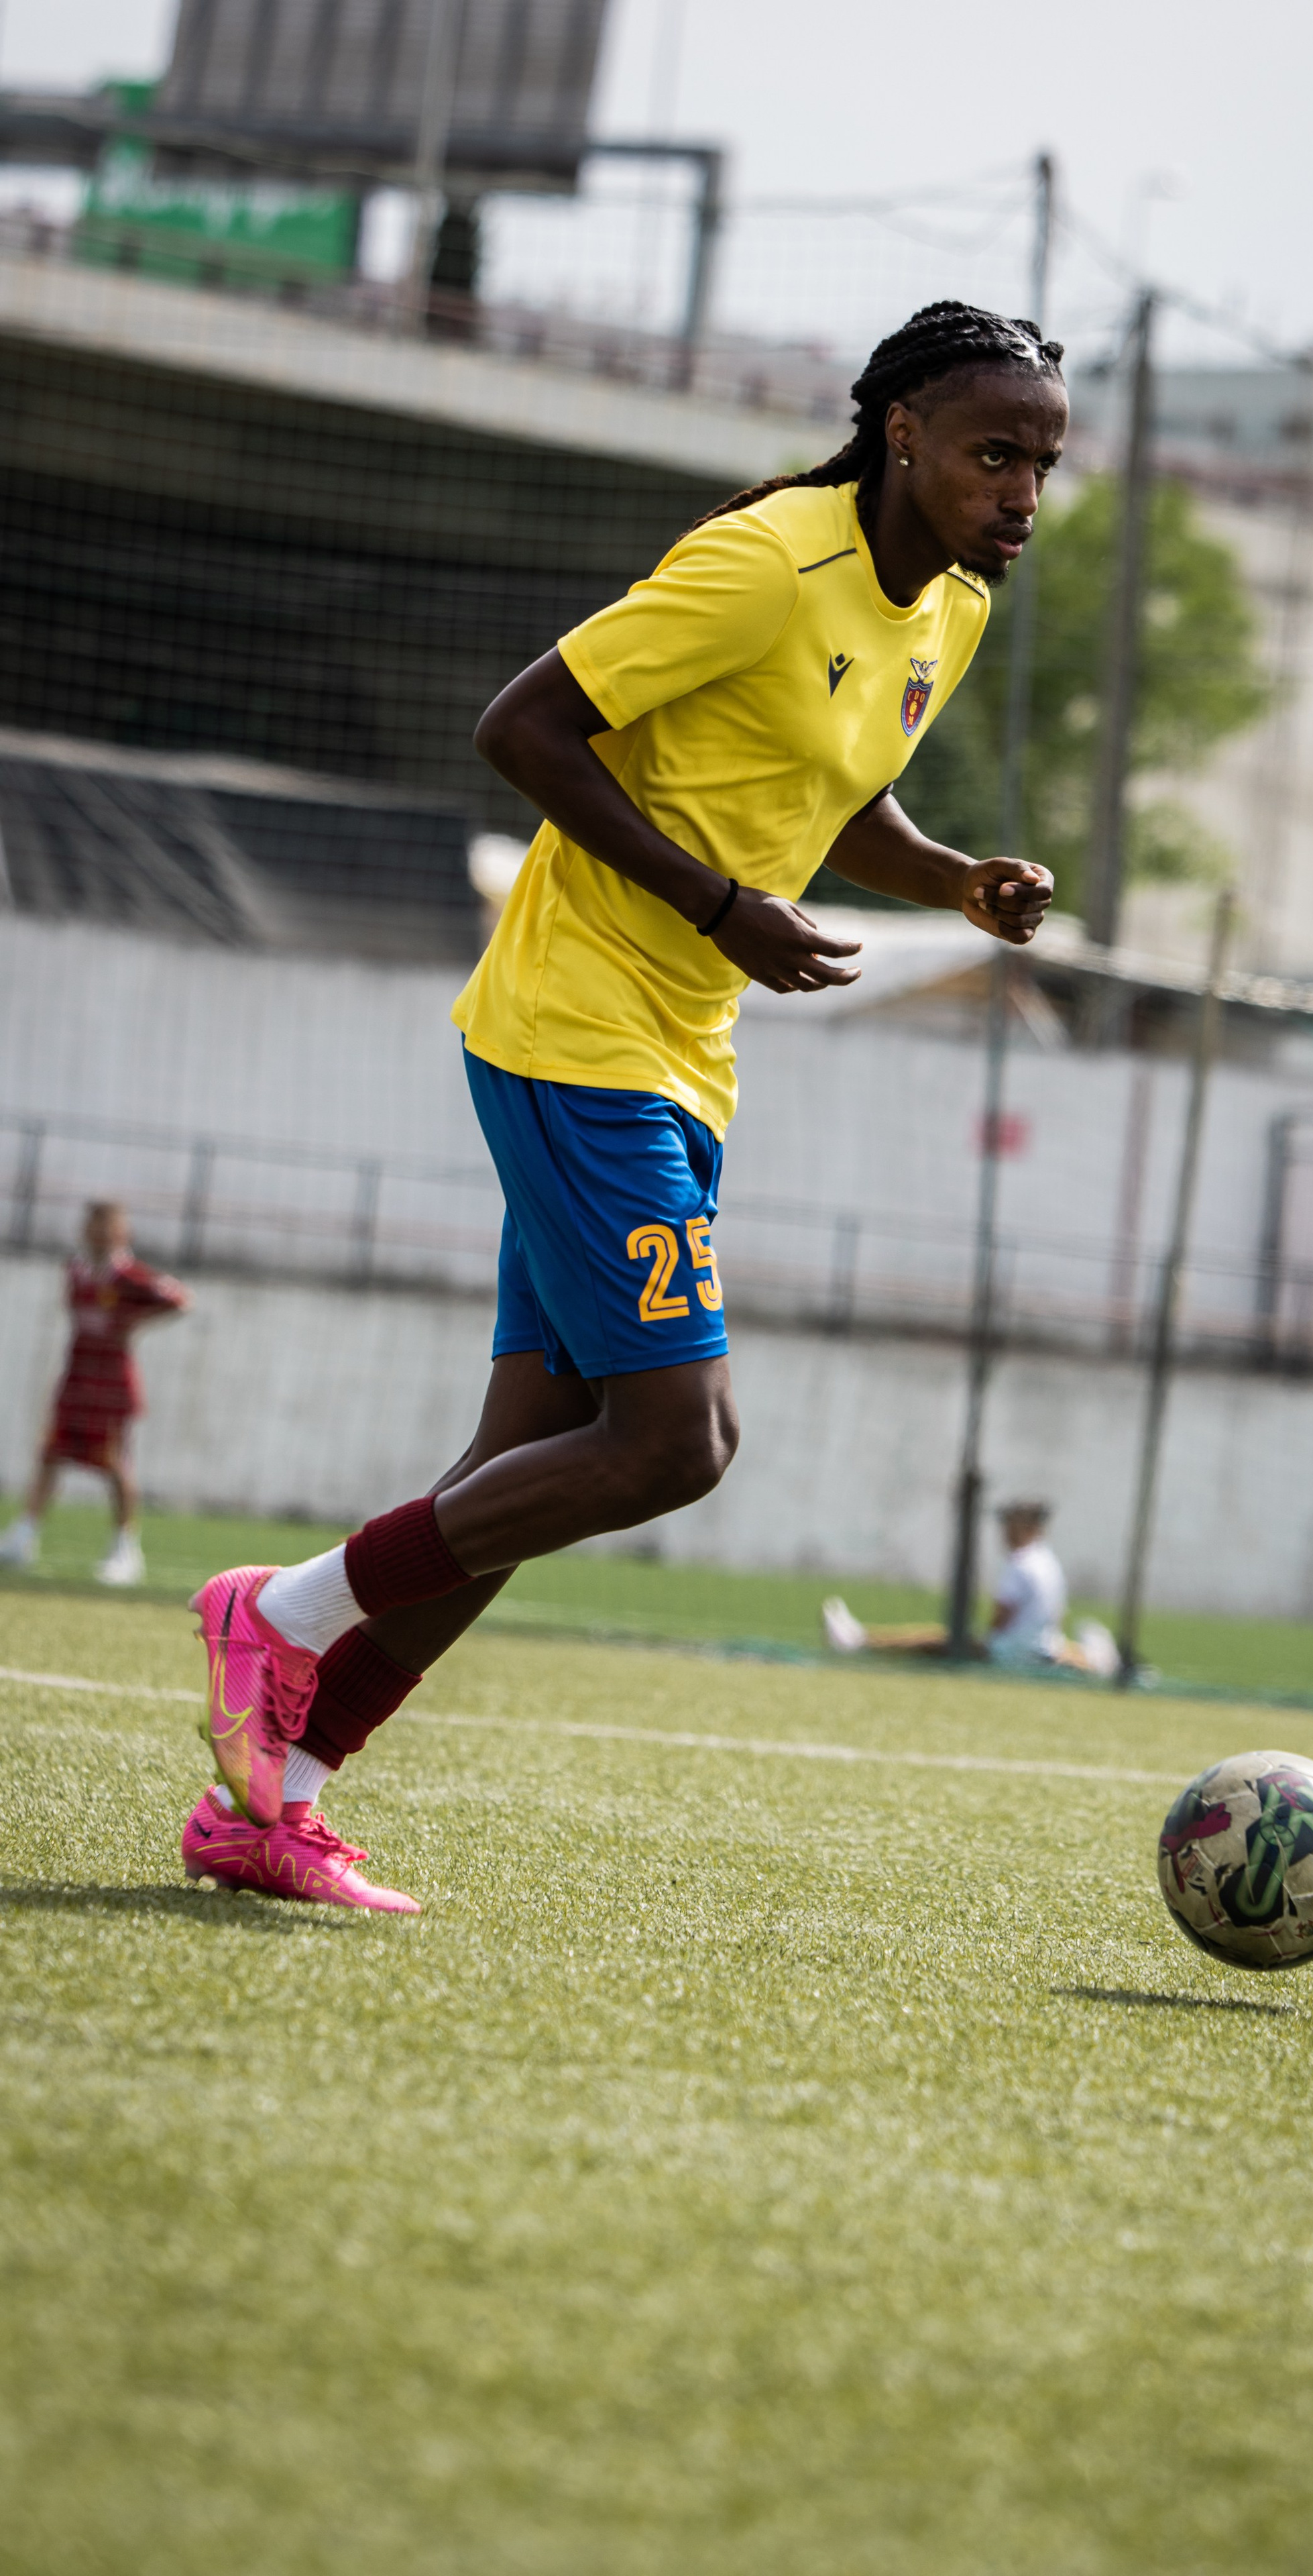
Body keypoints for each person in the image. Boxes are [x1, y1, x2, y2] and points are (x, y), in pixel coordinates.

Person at [178, 301, 1066, 1913]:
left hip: (686, 1044)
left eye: (1043, 464)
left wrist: (952, 877)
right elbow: (521, 728)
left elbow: (830, 779)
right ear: (904, 438)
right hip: (575, 1029)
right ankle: (284, 1612)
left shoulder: (950, 603)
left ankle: (275, 1804)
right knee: (672, 1440)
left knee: (530, 1461)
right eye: (994, 453)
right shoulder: (758, 563)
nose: (1019, 491)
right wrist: (721, 902)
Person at [0, 1201, 191, 1586]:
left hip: (112, 1384)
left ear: (123, 1233)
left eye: (108, 1226)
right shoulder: (76, 1271)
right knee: (50, 1454)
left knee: (115, 1463)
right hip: (77, 1377)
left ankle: (125, 1549)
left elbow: (179, 1299)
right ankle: (23, 1536)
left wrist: (133, 1321)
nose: (100, 1234)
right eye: (93, 1225)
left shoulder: (131, 1277)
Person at [820, 1501, 1119, 1675]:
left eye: (1012, 1525)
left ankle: (859, 1640)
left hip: (1011, 1651)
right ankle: (1097, 1661)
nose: (1005, 1532)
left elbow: (1003, 1615)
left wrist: (987, 1642)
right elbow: (1057, 1615)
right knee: (1054, 1653)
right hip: (1036, 1647)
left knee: (936, 1638)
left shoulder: (1021, 1563)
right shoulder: (1047, 1561)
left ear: (1028, 1529)